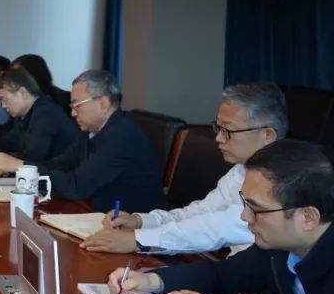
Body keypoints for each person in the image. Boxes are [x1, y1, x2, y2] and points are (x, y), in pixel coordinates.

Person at [108, 140, 334, 294]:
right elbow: (223, 274)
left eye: (256, 209)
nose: (245, 217)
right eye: (245, 204)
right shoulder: (279, 247)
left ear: (308, 218)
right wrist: (152, 281)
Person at [82, 82, 286, 254]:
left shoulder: (280, 184)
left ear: (267, 135)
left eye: (228, 130)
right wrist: (140, 221)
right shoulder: (239, 171)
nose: (218, 138)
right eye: (218, 128)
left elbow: (211, 229)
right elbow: (197, 214)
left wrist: (137, 240)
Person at [0, 69, 165, 212]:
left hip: (129, 226)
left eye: (77, 105)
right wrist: (12, 167)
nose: (73, 113)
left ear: (103, 103)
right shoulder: (90, 130)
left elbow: (76, 186)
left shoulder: (121, 135)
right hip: (94, 211)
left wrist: (19, 166)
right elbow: (58, 165)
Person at [0, 68, 77, 165]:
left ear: (22, 93)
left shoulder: (46, 114)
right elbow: (10, 142)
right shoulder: (25, 112)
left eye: (4, 99)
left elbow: (32, 159)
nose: (3, 106)